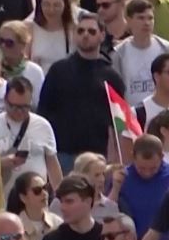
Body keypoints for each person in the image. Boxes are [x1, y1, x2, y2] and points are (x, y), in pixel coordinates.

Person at [37, 13, 126, 169]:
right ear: (74, 35)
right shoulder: (58, 70)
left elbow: (119, 122)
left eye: (91, 31)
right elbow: (43, 112)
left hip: (97, 156)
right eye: (80, 31)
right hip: (61, 154)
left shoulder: (112, 76)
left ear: (102, 35)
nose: (85, 35)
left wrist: (117, 156)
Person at [0, 76, 62, 194]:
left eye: (24, 107)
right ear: (5, 100)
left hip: (36, 198)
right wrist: (1, 163)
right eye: (13, 106)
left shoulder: (42, 125)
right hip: (3, 198)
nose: (19, 111)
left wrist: (60, 196)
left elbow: (52, 164)